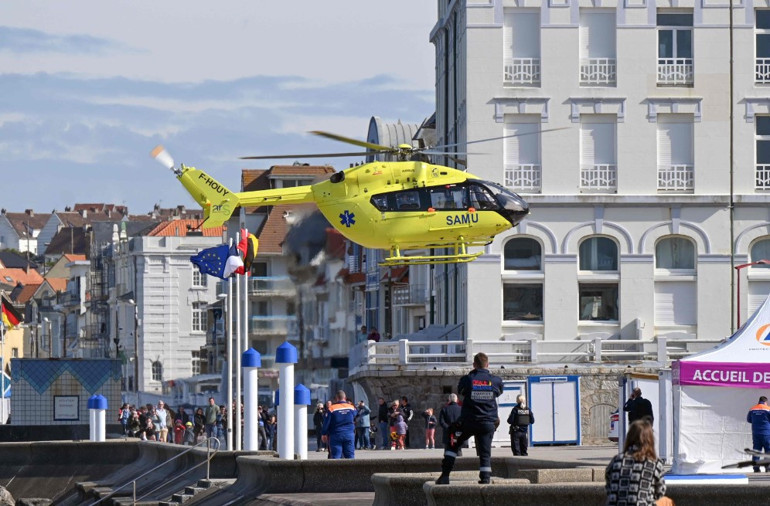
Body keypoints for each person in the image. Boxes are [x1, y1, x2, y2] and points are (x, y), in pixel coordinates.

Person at [436, 353, 503, 485]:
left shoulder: (468, 379)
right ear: (487, 364)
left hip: (468, 421)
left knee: (453, 443)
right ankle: (485, 478)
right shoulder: (496, 381)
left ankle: (445, 475)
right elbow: (499, 391)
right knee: (485, 452)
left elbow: (461, 391)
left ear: (474, 365)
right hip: (488, 422)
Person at [605, 420, 666, 505]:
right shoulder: (654, 463)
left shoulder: (616, 460)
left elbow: (609, 487)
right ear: (650, 440)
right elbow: (660, 492)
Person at [321, 390, 357, 459]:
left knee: (336, 456)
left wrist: (324, 433)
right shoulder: (351, 407)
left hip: (336, 434)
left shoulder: (332, 408)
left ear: (336, 398)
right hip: (349, 434)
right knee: (350, 456)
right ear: (345, 398)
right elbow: (356, 415)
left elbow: (326, 423)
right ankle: (351, 469)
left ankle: (337, 469)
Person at [747, 395, 770, 472]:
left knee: (756, 450)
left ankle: (756, 468)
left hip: (756, 433)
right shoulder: (768, 409)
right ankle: (767, 468)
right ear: (765, 402)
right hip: (766, 433)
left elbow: (749, 420)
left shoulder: (752, 409)